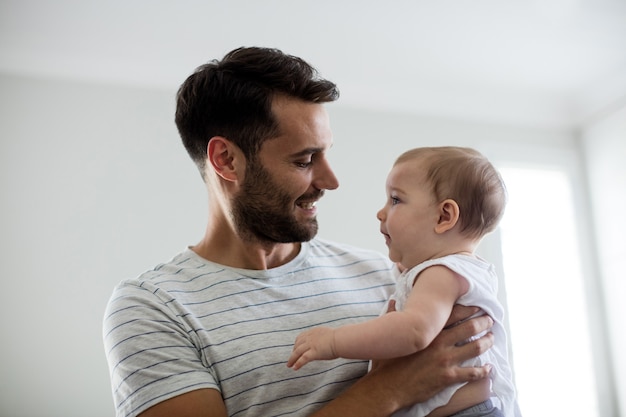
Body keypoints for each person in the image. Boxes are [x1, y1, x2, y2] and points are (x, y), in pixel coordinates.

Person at [102, 47, 495, 417]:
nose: (331, 180)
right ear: (226, 160)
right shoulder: (154, 309)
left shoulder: (389, 275)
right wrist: (390, 389)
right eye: (305, 159)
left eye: (325, 153)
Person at [288, 147, 521, 417]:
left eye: (396, 200)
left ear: (444, 217)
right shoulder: (456, 270)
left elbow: (414, 330)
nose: (381, 212)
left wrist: (333, 341)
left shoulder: (440, 273)